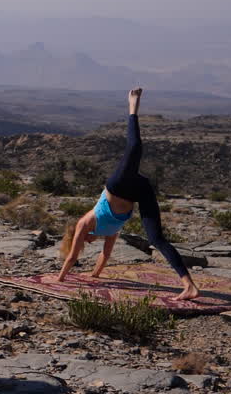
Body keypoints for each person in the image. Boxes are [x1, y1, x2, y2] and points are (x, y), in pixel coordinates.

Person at [54, 88, 200, 301]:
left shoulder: (83, 224)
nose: (90, 242)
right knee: (156, 239)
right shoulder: (110, 229)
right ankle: (190, 286)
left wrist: (59, 279)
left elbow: (72, 257)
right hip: (140, 190)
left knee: (134, 147)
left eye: (86, 241)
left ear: (83, 235)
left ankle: (132, 106)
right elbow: (106, 254)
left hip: (118, 186)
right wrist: (95, 275)